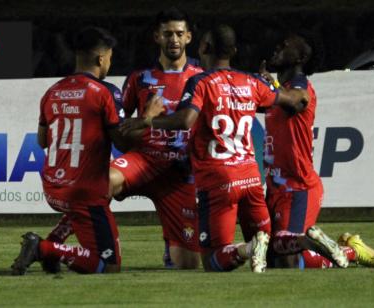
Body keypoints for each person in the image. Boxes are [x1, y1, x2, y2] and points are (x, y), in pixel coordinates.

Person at [121, 24, 312, 272]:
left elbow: (185, 120)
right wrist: (286, 90)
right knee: (272, 249)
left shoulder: (200, 81)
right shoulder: (251, 82)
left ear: (204, 47)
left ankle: (246, 249)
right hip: (251, 180)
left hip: (219, 181)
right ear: (233, 50)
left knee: (212, 260)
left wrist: (147, 120)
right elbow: (296, 101)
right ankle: (304, 240)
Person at [261, 33, 374, 268]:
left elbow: (299, 100)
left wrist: (271, 89)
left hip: (299, 189)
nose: (277, 47)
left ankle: (350, 251)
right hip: (276, 188)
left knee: (287, 260)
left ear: (301, 57)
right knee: (272, 256)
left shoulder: (299, 87)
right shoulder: (280, 90)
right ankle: (338, 249)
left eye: (284, 45)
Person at [11, 26, 127, 275]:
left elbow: (42, 141)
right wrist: (148, 118)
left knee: (101, 183)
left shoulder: (53, 92)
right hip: (83, 193)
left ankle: (54, 242)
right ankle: (44, 249)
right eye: (110, 57)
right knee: (109, 265)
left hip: (53, 188)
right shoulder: (105, 92)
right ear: (101, 58)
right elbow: (122, 143)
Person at [109, 7, 202, 269]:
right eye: (167, 34)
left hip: (180, 174)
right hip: (144, 160)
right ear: (157, 37)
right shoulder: (140, 79)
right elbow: (120, 129)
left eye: (179, 34)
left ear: (189, 38)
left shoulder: (201, 78)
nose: (173, 39)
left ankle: (171, 244)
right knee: (102, 182)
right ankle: (96, 246)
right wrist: (137, 129)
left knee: (188, 265)